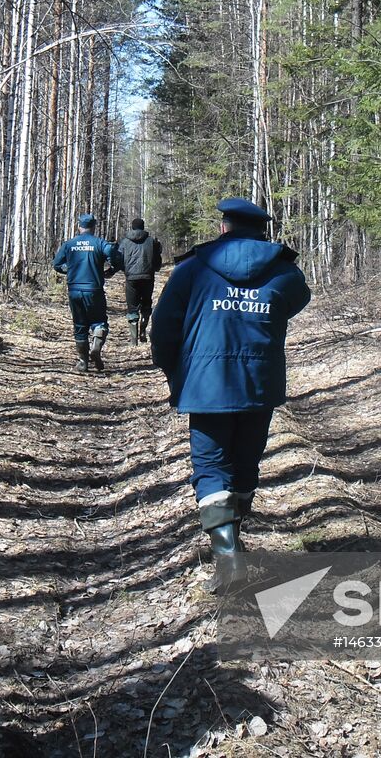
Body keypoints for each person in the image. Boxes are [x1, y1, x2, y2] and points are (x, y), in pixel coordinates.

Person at [150, 198, 311, 592]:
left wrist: (176, 371)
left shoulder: (192, 269)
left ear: (224, 227)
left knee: (211, 468)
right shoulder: (284, 272)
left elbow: (163, 327)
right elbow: (297, 301)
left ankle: (228, 556)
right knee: (244, 464)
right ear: (262, 232)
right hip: (259, 383)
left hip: (207, 386)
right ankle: (234, 543)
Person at [52, 213, 123, 371]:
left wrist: (69, 270)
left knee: (79, 325)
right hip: (94, 290)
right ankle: (96, 347)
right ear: (94, 227)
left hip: (74, 290)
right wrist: (111, 269)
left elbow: (56, 264)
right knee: (99, 321)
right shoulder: (99, 243)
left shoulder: (69, 244)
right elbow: (113, 253)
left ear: (79, 226)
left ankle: (83, 362)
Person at [116, 217, 164, 345]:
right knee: (146, 304)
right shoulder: (151, 241)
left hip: (131, 278)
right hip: (148, 277)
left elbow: (119, 259)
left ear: (132, 227)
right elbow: (157, 261)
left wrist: (123, 269)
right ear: (143, 227)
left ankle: (133, 339)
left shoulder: (125, 242)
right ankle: (143, 329)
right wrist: (155, 268)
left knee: (132, 307)